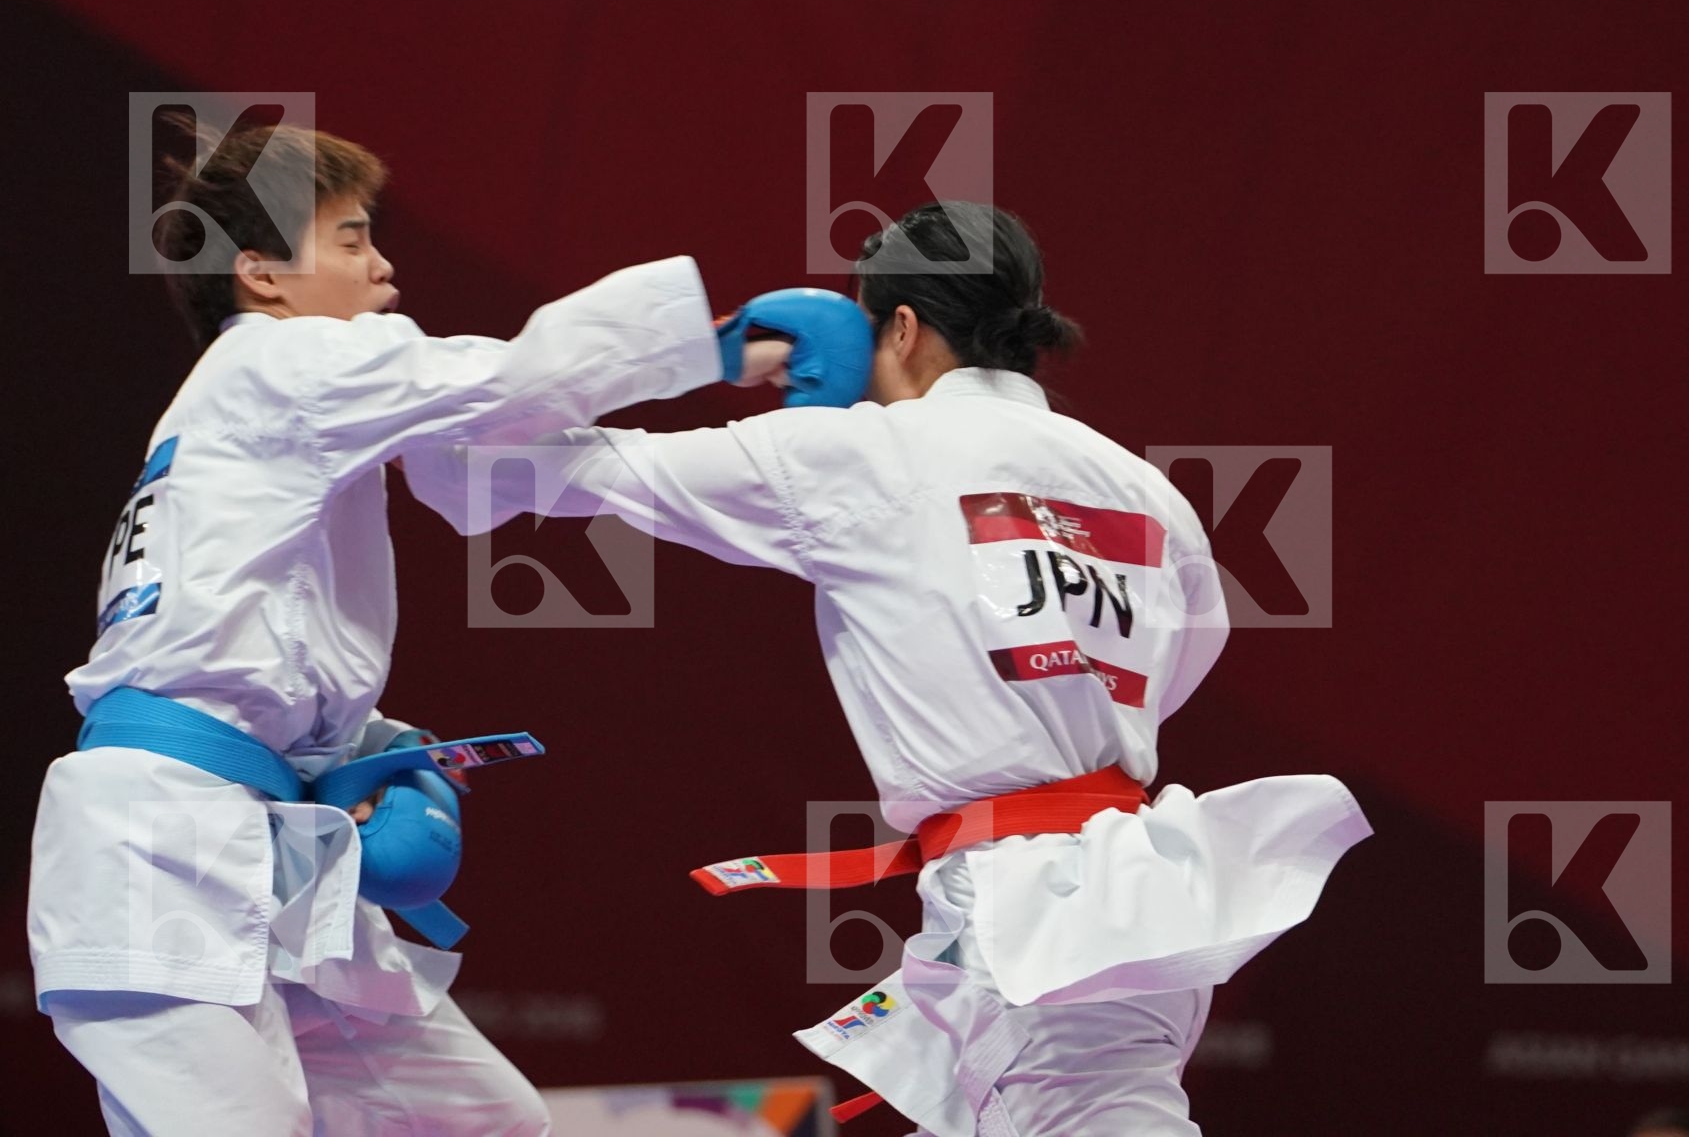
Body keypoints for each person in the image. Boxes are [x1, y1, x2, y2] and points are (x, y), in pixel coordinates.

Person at [406, 201, 1371, 1136]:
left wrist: (703, 351)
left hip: (1036, 910)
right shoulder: (1145, 489)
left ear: (901, 327)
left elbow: (480, 464)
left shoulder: (858, 453)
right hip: (1133, 882)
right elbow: (1177, 667)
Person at [27, 115, 831, 1135]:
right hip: (159, 854)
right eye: (353, 239)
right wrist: (713, 345)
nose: (384, 264)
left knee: (490, 1122)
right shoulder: (286, 366)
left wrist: (365, 743)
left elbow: (452, 458)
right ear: (264, 274)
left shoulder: (255, 407)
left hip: (250, 833)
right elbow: (508, 382)